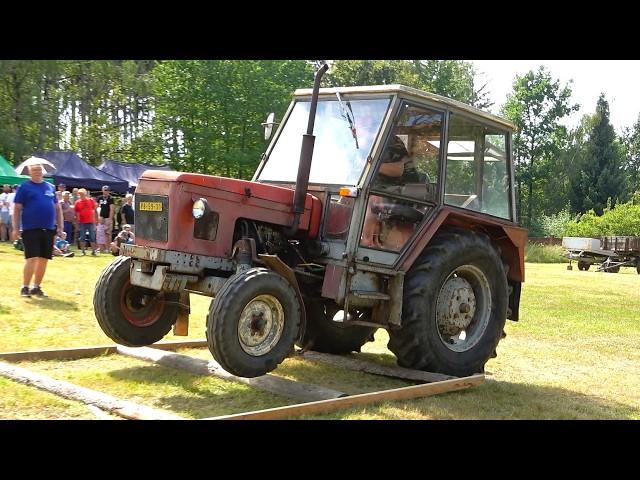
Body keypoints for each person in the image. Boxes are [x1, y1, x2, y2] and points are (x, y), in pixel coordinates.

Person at [11, 163, 64, 298]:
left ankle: (36, 287)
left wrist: (61, 227)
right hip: (30, 228)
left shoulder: (50, 187)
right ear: (29, 172)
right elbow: (17, 209)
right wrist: (16, 228)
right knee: (32, 257)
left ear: (43, 171)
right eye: (34, 169)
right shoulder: (24, 187)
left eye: (39, 169)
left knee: (43, 259)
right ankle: (25, 287)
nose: (37, 171)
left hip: (48, 228)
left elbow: (57, 208)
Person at [74, 188, 98, 256]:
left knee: (92, 237)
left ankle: (94, 251)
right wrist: (77, 223)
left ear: (85, 194)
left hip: (91, 221)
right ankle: (83, 251)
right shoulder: (77, 202)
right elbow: (76, 214)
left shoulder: (91, 200)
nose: (81, 195)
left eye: (82, 194)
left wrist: (97, 220)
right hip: (82, 222)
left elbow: (95, 210)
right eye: (80, 194)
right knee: (82, 237)